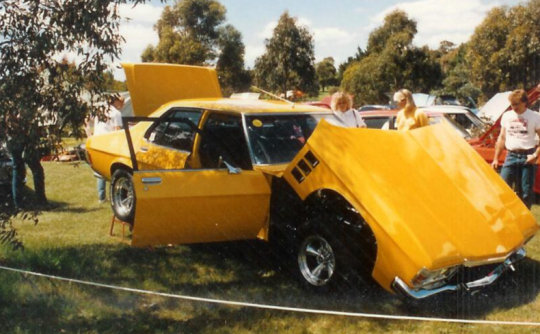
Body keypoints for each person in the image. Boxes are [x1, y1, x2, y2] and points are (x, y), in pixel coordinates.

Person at [492, 89, 540, 209]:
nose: (514, 107)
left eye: (517, 104)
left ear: (525, 102)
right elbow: (502, 137)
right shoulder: (507, 116)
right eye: (512, 104)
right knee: (502, 187)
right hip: (511, 156)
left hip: (528, 156)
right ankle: (505, 216)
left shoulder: (534, 117)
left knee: (525, 192)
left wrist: (535, 156)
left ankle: (524, 221)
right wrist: (496, 159)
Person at [5, 112, 47, 208]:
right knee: (37, 170)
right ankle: (41, 201)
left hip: (12, 140)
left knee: (18, 171)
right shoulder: (20, 106)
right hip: (20, 140)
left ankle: (19, 203)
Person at [87, 96, 124, 203]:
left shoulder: (100, 110)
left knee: (100, 170)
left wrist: (89, 134)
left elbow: (86, 120)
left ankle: (101, 197)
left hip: (97, 141)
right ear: (116, 101)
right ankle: (116, 195)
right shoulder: (116, 113)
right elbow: (117, 131)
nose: (122, 105)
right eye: (121, 102)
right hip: (109, 142)